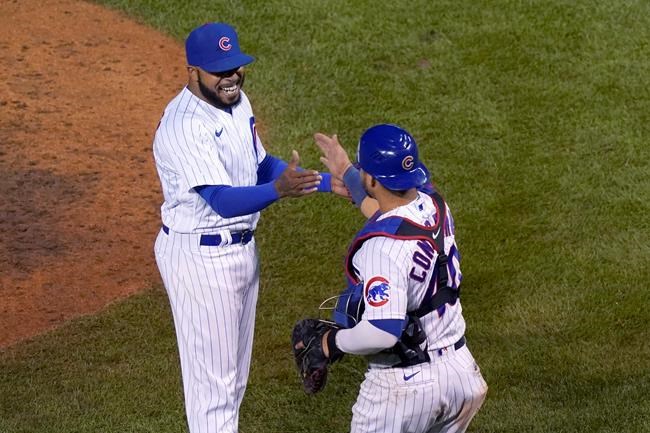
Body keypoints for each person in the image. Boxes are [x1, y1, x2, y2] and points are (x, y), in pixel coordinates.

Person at [152, 22, 345, 433]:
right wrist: (279, 190)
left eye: (235, 66)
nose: (231, 76)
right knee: (214, 392)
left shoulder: (237, 102)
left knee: (233, 383)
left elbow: (259, 164)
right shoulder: (184, 125)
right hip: (200, 259)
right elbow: (221, 200)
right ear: (193, 71)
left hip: (239, 251)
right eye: (220, 70)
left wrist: (328, 183)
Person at [313, 124, 488, 433]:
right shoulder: (436, 206)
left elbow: (383, 332)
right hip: (461, 375)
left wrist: (331, 343)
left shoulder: (381, 250)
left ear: (372, 178)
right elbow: (391, 216)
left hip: (404, 391)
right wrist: (349, 173)